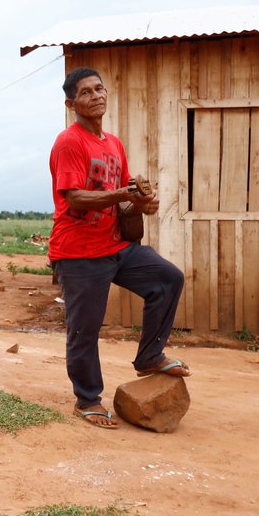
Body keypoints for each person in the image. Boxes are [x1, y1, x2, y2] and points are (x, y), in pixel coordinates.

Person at [49, 67, 189, 429]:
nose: (96, 95)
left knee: (167, 278)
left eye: (99, 89)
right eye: (85, 92)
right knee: (85, 329)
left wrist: (142, 203)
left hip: (114, 245)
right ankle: (87, 399)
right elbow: (76, 198)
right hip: (78, 252)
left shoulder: (113, 144)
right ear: (71, 103)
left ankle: (149, 356)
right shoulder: (69, 142)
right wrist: (121, 195)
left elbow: (123, 196)